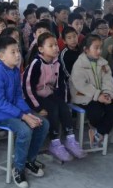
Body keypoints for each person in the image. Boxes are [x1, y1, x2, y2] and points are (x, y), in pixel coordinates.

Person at [0, 36, 49, 188]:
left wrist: (28, 113)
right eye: (13, 52)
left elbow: (18, 96)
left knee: (42, 123)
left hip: (11, 109)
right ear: (2, 56)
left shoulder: (15, 70)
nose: (18, 55)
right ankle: (18, 168)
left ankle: (29, 160)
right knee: (24, 130)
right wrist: (23, 116)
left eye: (18, 51)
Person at [23, 33, 86, 162]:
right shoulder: (36, 63)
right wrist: (37, 107)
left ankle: (70, 139)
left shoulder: (57, 62)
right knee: (53, 108)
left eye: (56, 45)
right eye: (50, 46)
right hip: (33, 97)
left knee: (63, 107)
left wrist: (64, 99)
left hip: (48, 93)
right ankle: (55, 142)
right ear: (41, 49)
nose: (55, 48)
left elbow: (61, 83)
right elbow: (27, 87)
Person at [70, 34, 113, 148]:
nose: (99, 51)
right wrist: (98, 95)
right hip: (83, 95)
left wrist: (107, 93)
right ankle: (97, 129)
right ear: (86, 49)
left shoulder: (103, 63)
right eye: (96, 48)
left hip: (100, 94)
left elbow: (108, 80)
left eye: (100, 48)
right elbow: (81, 85)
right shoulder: (79, 64)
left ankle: (98, 133)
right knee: (96, 111)